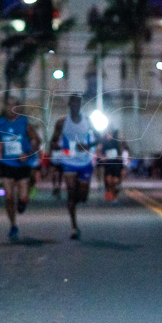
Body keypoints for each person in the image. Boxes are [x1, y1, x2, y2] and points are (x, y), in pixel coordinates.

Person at [0, 96, 41, 241]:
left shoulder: (24, 123)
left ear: (17, 107)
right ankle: (13, 225)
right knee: (9, 197)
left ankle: (23, 202)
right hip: (6, 164)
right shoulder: (0, 123)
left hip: (22, 164)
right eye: (8, 105)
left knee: (22, 198)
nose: (10, 108)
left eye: (13, 105)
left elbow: (37, 140)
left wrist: (28, 153)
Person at [49, 94, 96, 239]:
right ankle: (74, 227)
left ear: (80, 105)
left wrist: (88, 145)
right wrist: (56, 147)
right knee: (70, 191)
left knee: (82, 196)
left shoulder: (88, 121)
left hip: (84, 162)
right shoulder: (62, 122)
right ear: (69, 105)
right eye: (73, 104)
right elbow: (53, 141)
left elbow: (99, 138)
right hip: (68, 161)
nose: (75, 106)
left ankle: (74, 200)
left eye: (78, 104)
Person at [97, 127, 124, 202]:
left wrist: (120, 157)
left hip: (116, 163)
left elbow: (120, 152)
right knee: (109, 180)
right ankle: (109, 193)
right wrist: (102, 157)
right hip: (108, 163)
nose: (109, 136)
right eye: (108, 134)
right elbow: (99, 152)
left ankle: (114, 194)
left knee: (115, 181)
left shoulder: (117, 142)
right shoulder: (103, 142)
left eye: (111, 134)